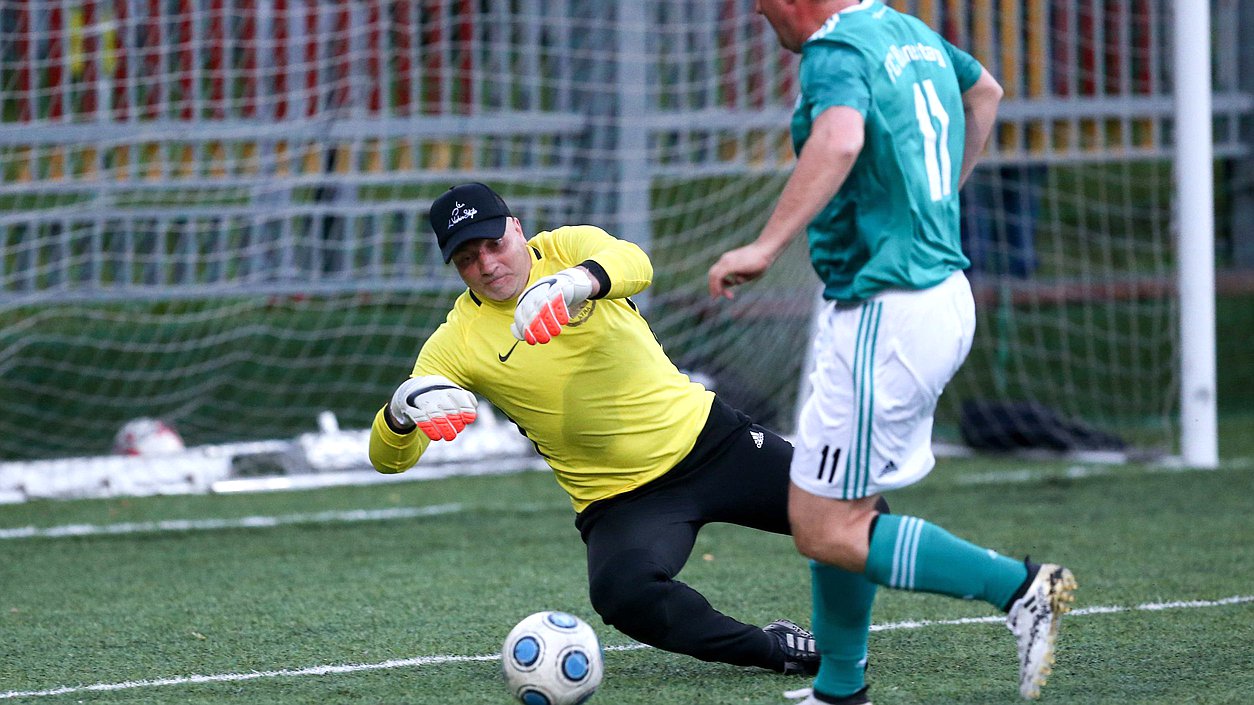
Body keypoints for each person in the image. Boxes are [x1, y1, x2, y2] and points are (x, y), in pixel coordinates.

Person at [707, 2, 1076, 703]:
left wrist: (764, 245)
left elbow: (840, 140)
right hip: (914, 296)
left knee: (827, 526)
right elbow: (985, 91)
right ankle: (840, 685)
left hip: (890, 308)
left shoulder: (833, 49)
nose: (758, 12)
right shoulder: (905, 29)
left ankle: (1024, 587)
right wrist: (940, 194)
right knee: (832, 496)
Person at [369, 181, 841, 676]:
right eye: (467, 258)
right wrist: (401, 411)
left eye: (494, 244)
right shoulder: (454, 343)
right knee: (624, 596)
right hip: (620, 500)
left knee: (853, 516)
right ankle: (778, 650)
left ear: (516, 229)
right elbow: (389, 459)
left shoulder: (567, 247)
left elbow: (636, 263)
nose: (487, 265)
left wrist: (579, 282)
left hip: (713, 442)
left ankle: (846, 622)